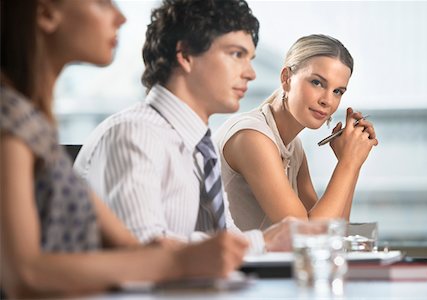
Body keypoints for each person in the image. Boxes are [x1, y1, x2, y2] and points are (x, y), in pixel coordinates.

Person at [0, 0, 248, 298]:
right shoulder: (9, 118)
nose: (120, 17)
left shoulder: (36, 127)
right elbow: (25, 274)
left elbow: (136, 247)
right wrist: (175, 262)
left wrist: (173, 255)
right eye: (103, 3)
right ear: (46, 13)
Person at [74, 0, 293, 254]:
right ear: (186, 55)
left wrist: (274, 242)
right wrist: (262, 242)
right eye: (236, 54)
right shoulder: (136, 133)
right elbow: (143, 251)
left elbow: (223, 234)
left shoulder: (200, 144)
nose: (251, 73)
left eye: (250, 58)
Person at [213, 34, 378, 231]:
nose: (327, 100)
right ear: (286, 78)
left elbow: (335, 231)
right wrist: (348, 163)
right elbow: (307, 236)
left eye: (338, 91)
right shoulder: (252, 137)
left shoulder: (293, 148)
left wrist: (353, 162)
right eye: (317, 82)